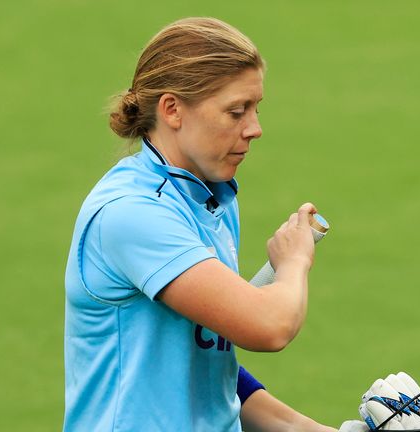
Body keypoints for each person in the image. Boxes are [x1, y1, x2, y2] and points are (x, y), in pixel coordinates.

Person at [64, 17, 339, 431]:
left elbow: (209, 366)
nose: (255, 128)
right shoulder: (133, 213)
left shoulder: (210, 195)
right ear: (173, 109)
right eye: (236, 111)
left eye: (256, 107)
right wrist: (294, 262)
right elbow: (270, 326)